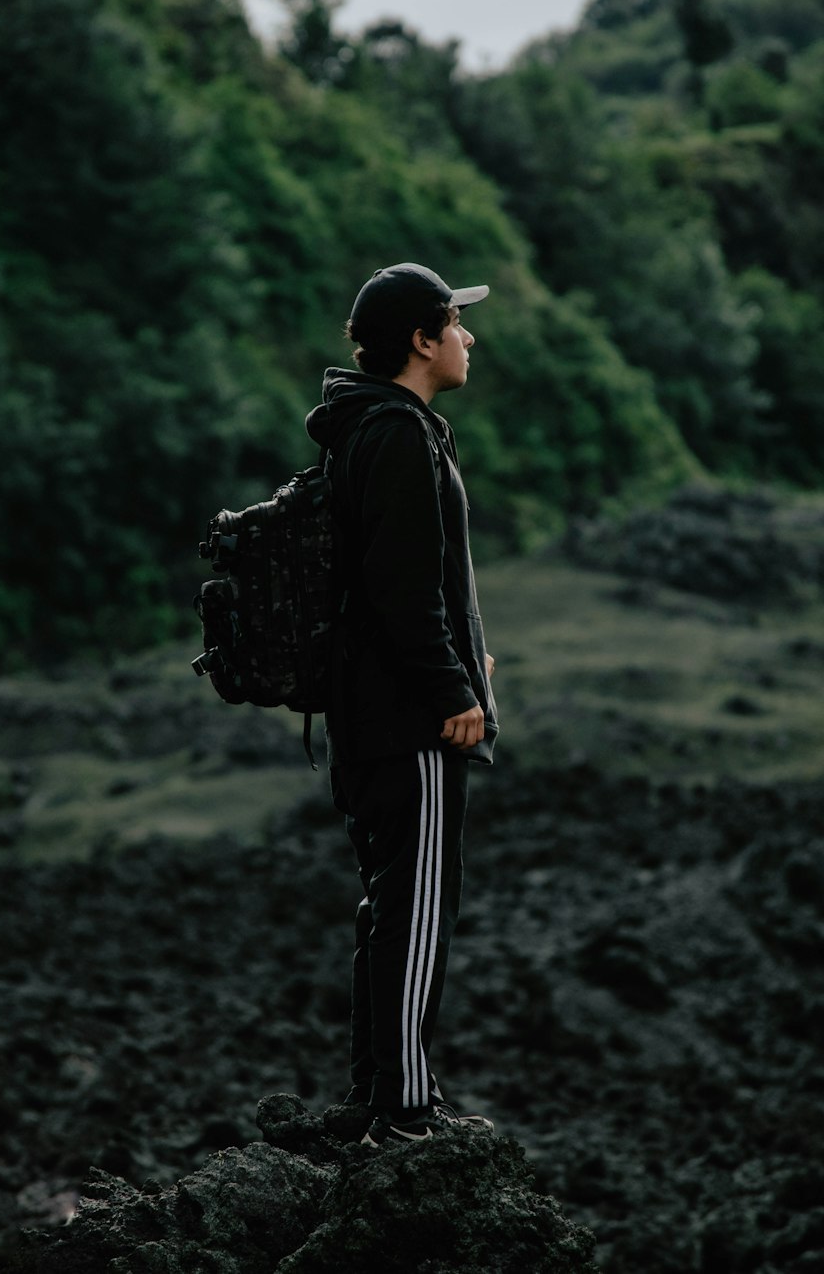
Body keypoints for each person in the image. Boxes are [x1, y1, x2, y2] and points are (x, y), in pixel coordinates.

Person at [305, 261, 498, 1147]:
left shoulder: (368, 429)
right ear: (421, 341)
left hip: (371, 712)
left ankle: (375, 1095)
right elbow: (401, 587)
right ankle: (408, 1108)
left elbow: (403, 582)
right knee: (419, 907)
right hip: (405, 719)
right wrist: (453, 689)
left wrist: (466, 658)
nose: (468, 337)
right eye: (455, 324)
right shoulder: (397, 432)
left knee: (392, 905)